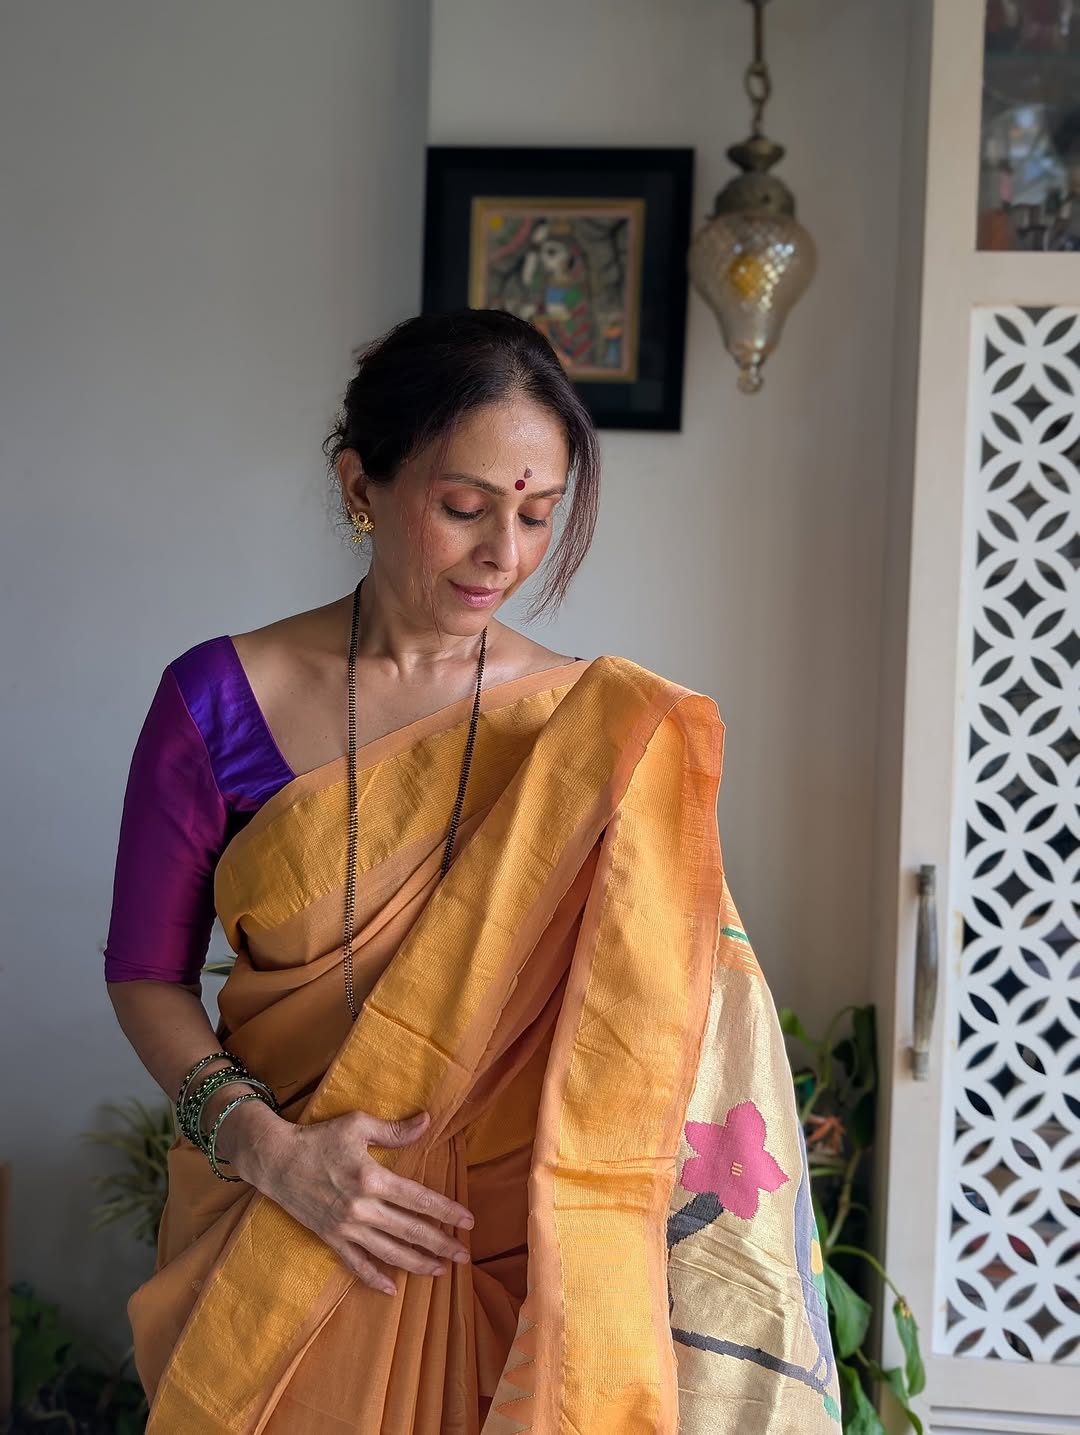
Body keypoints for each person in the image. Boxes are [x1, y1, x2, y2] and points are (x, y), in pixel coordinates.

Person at [104, 309, 840, 1433]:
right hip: (271, 1227)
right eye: (464, 508)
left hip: (515, 1259)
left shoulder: (594, 734)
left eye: (538, 515)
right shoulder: (216, 700)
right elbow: (144, 973)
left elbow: (659, 1023)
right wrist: (271, 1151)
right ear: (361, 485)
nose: (506, 553)